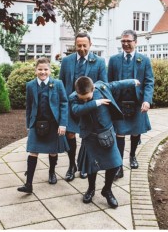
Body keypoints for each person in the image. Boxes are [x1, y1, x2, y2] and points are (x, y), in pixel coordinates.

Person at [69, 76, 140, 208]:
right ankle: (91, 189)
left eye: (88, 98)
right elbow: (76, 110)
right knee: (91, 167)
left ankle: (107, 190)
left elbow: (117, 84)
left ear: (93, 88)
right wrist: (96, 102)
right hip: (90, 136)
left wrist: (132, 82)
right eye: (82, 98)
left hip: (107, 133)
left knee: (115, 164)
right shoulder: (73, 97)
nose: (84, 100)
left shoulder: (101, 87)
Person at [59, 32, 108, 181]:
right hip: (71, 105)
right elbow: (61, 83)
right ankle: (71, 165)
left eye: (84, 45)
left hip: (89, 106)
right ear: (75, 45)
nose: (81, 48)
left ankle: (83, 164)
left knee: (86, 137)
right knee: (70, 135)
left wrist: (93, 98)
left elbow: (103, 84)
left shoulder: (99, 61)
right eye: (78, 45)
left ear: (90, 45)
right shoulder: (66, 61)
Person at [108, 30, 155, 179]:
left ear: (135, 42)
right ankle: (119, 165)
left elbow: (149, 82)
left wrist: (147, 100)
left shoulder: (144, 60)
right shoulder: (114, 60)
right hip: (119, 103)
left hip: (137, 103)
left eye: (128, 41)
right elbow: (109, 83)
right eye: (123, 41)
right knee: (119, 133)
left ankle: (133, 156)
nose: (126, 44)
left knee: (136, 132)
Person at [18, 58, 68, 194]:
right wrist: (28, 124)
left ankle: (52, 172)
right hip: (36, 123)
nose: (43, 72)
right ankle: (28, 184)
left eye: (45, 69)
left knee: (52, 151)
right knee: (33, 151)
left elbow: (64, 103)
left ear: (50, 70)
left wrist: (63, 124)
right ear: (35, 70)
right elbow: (28, 106)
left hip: (53, 123)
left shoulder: (57, 84)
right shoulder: (30, 85)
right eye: (40, 69)